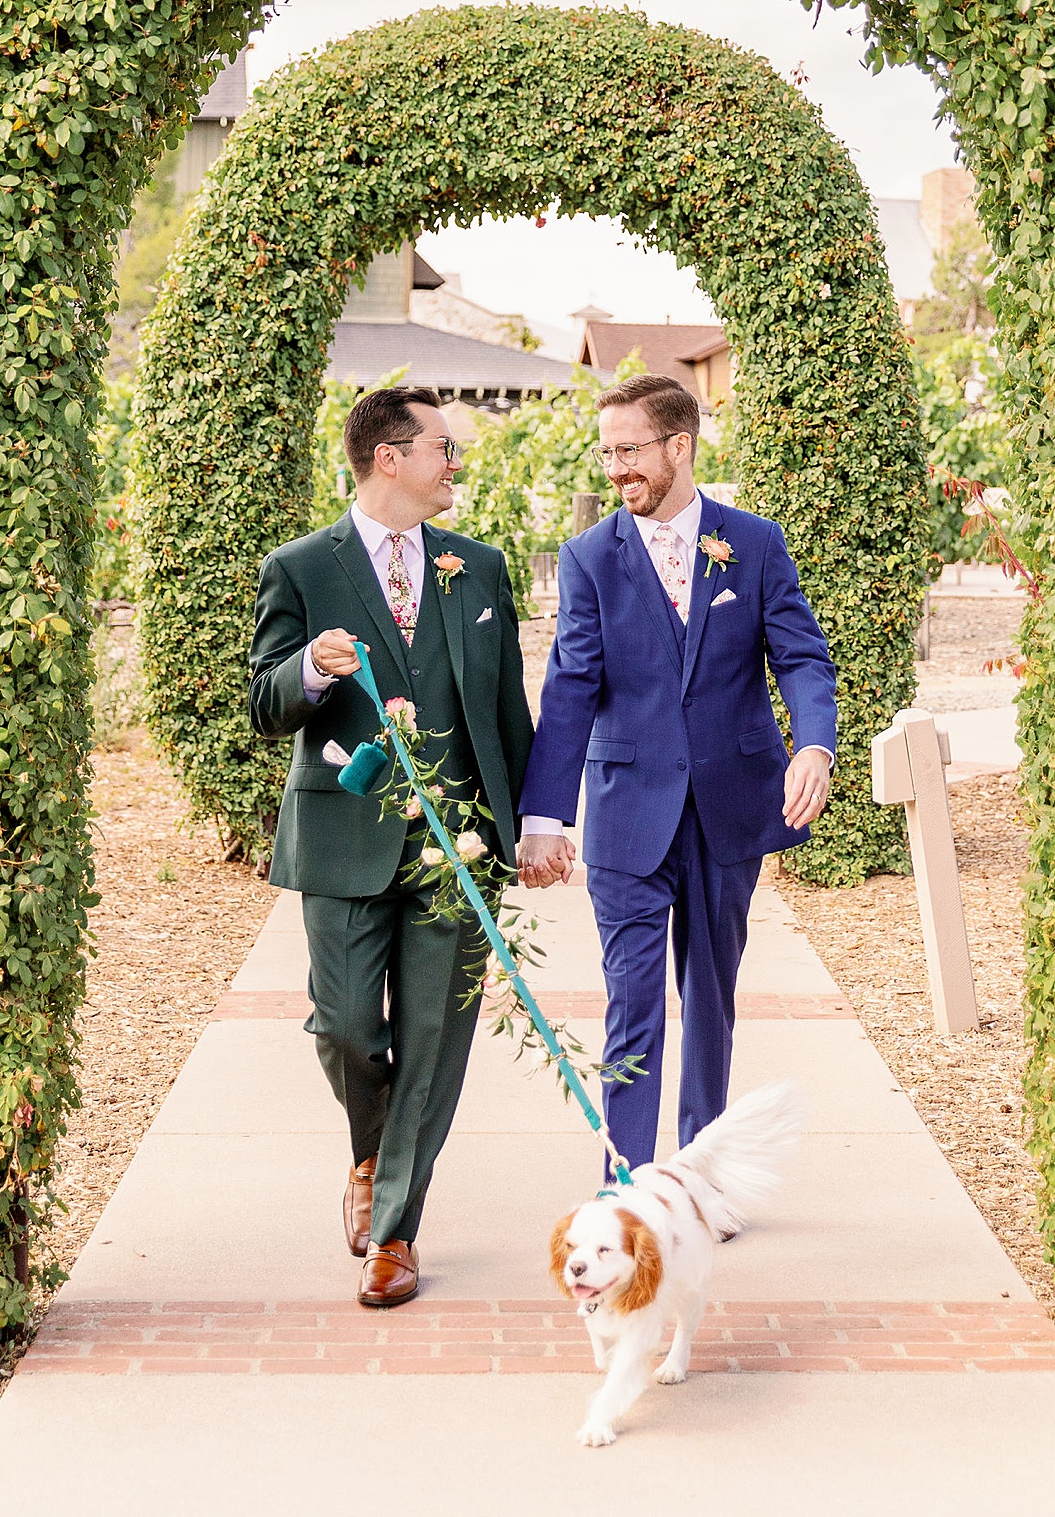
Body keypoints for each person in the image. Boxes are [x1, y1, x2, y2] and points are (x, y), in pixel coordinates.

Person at [249, 385, 533, 1307]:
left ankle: (397, 1232)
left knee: (434, 1039)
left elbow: (506, 712)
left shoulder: (478, 567)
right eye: (445, 448)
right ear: (390, 458)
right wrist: (309, 671)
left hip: (459, 844)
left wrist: (528, 828)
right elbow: (264, 704)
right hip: (343, 834)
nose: (457, 464)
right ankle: (370, 1151)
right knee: (342, 1027)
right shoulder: (300, 567)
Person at [517, 373, 836, 1171]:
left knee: (710, 999)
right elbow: (569, 692)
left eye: (630, 451)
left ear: (679, 446)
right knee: (632, 1003)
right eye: (607, 453)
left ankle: (699, 1173)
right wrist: (543, 819)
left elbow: (800, 656)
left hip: (730, 808)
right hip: (628, 814)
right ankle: (626, 1184)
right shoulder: (589, 558)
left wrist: (814, 745)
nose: (616, 469)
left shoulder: (753, 544)